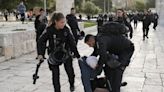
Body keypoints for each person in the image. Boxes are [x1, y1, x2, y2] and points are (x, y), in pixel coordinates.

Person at [37, 12, 81, 92]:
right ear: (56, 22)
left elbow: (72, 43)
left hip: (65, 53)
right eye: (61, 22)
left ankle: (72, 84)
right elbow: (40, 41)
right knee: (55, 75)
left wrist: (77, 55)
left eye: (64, 22)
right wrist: (40, 54)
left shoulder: (66, 29)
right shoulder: (49, 30)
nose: (63, 24)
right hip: (54, 55)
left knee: (70, 72)